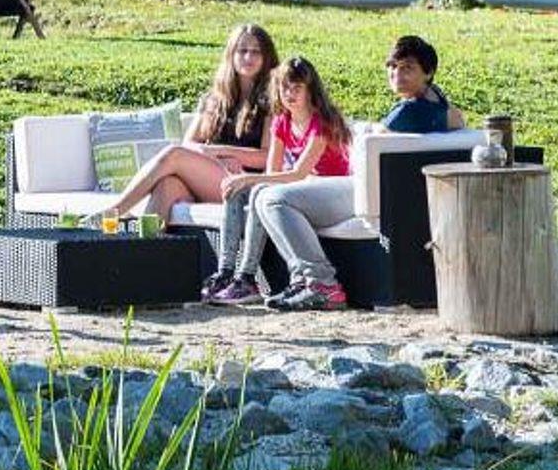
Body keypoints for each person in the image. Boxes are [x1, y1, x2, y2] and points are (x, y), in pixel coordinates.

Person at [205, 55, 354, 312]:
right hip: (305, 189)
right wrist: (244, 180)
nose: (289, 94)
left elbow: (297, 174)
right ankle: (234, 275)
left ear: (310, 91)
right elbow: (273, 172)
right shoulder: (282, 121)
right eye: (284, 88)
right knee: (240, 190)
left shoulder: (322, 122)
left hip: (336, 190)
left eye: (297, 88)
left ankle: (321, 284)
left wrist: (250, 177)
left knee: (262, 192)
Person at [102, 23, 277, 227]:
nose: (248, 57)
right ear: (231, 54)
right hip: (213, 175)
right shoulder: (215, 99)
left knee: (174, 154)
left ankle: (114, 211)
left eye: (256, 52)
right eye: (242, 50)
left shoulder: (273, 100)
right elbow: (190, 144)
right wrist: (217, 159)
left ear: (266, 57)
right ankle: (143, 245)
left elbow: (267, 157)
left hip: (245, 181)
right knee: (167, 186)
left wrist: (220, 152)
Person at [382, 35, 467, 133]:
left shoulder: (406, 112)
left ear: (428, 73)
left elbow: (379, 135)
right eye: (393, 66)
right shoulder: (436, 95)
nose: (397, 73)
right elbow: (458, 119)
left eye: (408, 67)